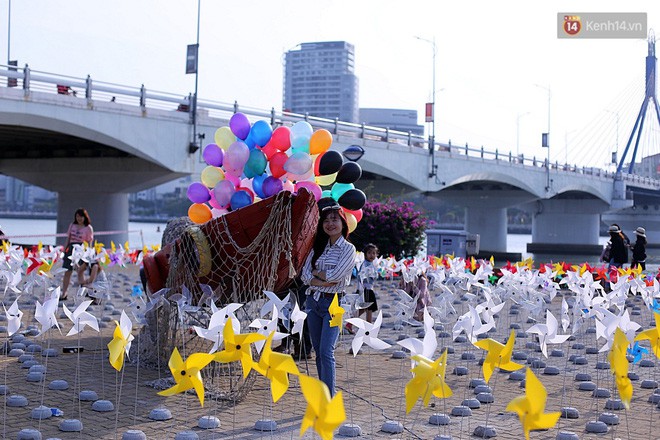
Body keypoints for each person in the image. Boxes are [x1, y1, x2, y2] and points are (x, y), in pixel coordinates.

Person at [300, 198, 356, 396]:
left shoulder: (349, 249)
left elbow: (336, 277)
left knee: (326, 351)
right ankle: (322, 394)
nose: (330, 224)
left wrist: (318, 275)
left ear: (343, 223)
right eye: (326, 221)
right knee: (317, 352)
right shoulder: (317, 248)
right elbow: (305, 275)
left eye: (334, 220)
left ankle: (330, 399)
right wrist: (322, 279)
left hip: (333, 304)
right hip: (313, 302)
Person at [61, 208, 94, 300]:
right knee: (67, 271)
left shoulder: (88, 228)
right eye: (77, 216)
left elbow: (89, 242)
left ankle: (83, 292)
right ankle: (64, 292)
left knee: (80, 272)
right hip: (71, 248)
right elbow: (68, 238)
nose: (79, 218)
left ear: (85, 217)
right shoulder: (72, 225)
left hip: (81, 250)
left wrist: (88, 253)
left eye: (81, 216)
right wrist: (65, 249)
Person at [355, 243, 379, 324]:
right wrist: (366, 277)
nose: (371, 255)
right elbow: (359, 276)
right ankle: (369, 325)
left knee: (365, 308)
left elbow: (374, 275)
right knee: (369, 308)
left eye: (373, 253)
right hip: (366, 289)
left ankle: (349, 324)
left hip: (370, 288)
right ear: (365, 254)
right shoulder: (365, 264)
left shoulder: (372, 264)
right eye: (369, 253)